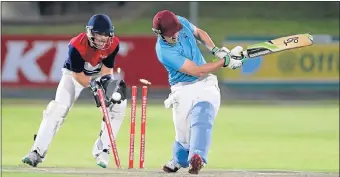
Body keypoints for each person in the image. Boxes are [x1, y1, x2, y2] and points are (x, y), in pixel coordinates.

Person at [22, 14, 127, 169]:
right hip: (73, 75)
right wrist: (93, 86)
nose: (102, 39)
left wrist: (105, 85)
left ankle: (103, 149)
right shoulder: (76, 45)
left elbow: (107, 69)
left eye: (105, 35)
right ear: (90, 32)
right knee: (57, 109)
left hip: (98, 75)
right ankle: (37, 152)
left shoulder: (114, 44)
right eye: (98, 34)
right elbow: (78, 75)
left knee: (119, 106)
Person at [152, 10, 244, 174]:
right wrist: (226, 61)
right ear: (160, 34)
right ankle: (179, 160)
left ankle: (197, 157)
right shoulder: (163, 51)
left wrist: (215, 50)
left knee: (203, 117)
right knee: (183, 140)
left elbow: (200, 33)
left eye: (176, 31)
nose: (175, 36)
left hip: (206, 84)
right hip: (182, 90)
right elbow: (196, 71)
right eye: (170, 35)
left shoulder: (179, 22)